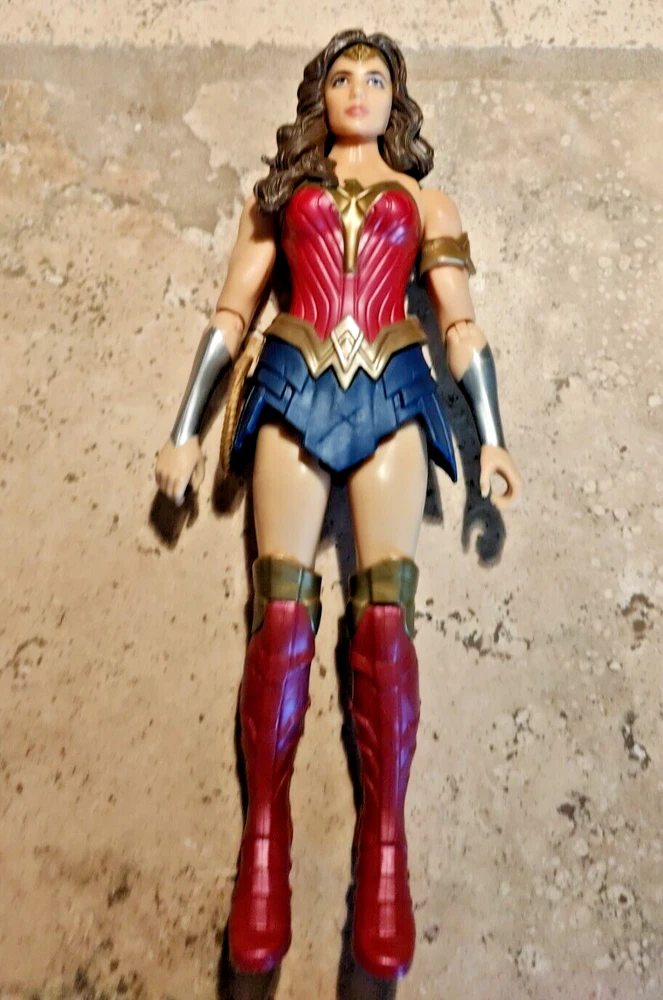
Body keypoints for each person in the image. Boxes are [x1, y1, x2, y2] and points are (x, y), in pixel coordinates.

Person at [155, 28, 521, 981]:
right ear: (319, 93)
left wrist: (491, 436)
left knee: (384, 621)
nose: (358, 90)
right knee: (279, 618)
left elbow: (459, 321)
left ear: (396, 97)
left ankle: (384, 851)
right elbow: (230, 314)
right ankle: (262, 846)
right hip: (292, 383)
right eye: (343, 76)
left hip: (393, 389)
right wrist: (186, 430)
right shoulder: (280, 195)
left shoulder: (425, 201)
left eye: (376, 77)